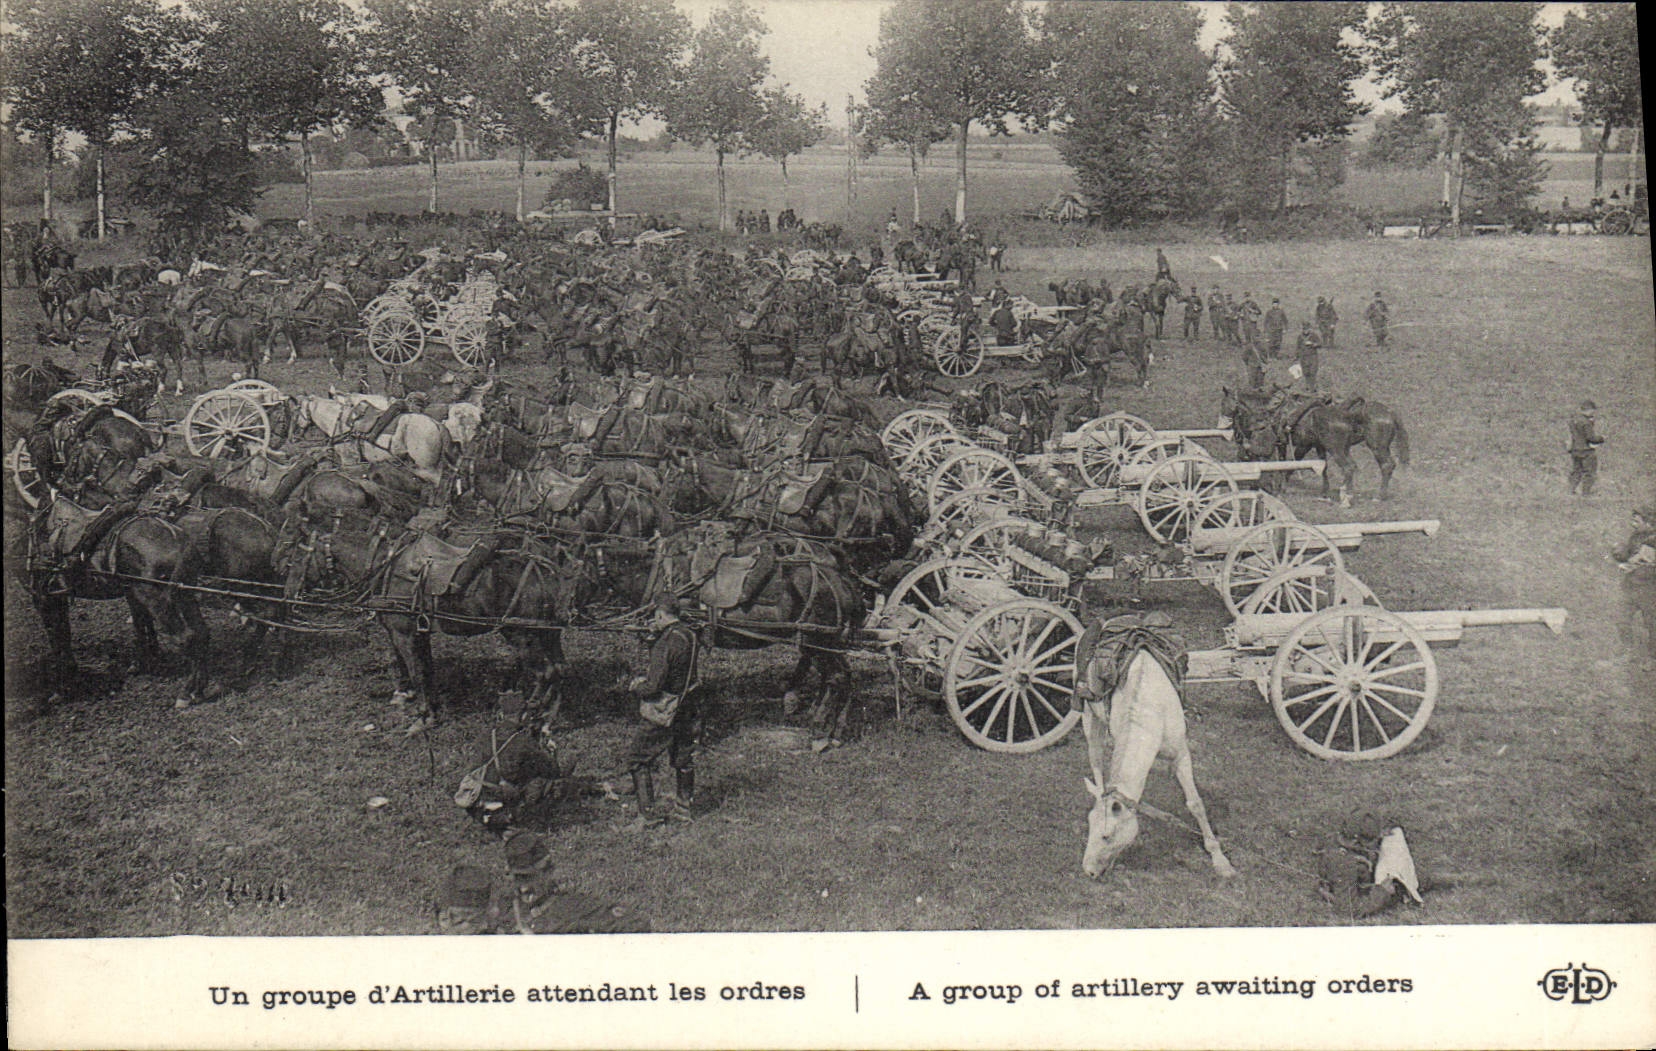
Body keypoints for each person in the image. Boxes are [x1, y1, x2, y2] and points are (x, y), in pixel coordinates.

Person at [625, 596, 702, 826]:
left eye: (654, 618)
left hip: (665, 710)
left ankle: (648, 815)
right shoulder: (689, 635)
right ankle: (684, 808)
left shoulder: (665, 643)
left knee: (637, 759)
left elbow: (654, 686)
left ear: (660, 615)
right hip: (689, 705)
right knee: (683, 757)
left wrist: (636, 686)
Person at [1567, 400, 1606, 497]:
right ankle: (1586, 493)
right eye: (1593, 411)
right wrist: (1601, 438)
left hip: (1575, 449)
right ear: (1590, 410)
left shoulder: (1574, 420)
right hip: (1586, 451)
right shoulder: (1586, 423)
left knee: (1576, 471)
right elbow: (1590, 438)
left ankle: (1570, 490)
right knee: (1590, 472)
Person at [1294, 321, 1321, 391]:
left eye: (1307, 329)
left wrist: (1312, 344)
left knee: (1313, 371)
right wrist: (1296, 356)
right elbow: (1298, 347)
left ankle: (1313, 387)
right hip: (1303, 357)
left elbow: (1320, 344)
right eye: (1304, 329)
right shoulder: (1300, 336)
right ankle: (1307, 386)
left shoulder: (1314, 335)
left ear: (1309, 329)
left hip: (1312, 356)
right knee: (1306, 372)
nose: (1305, 331)